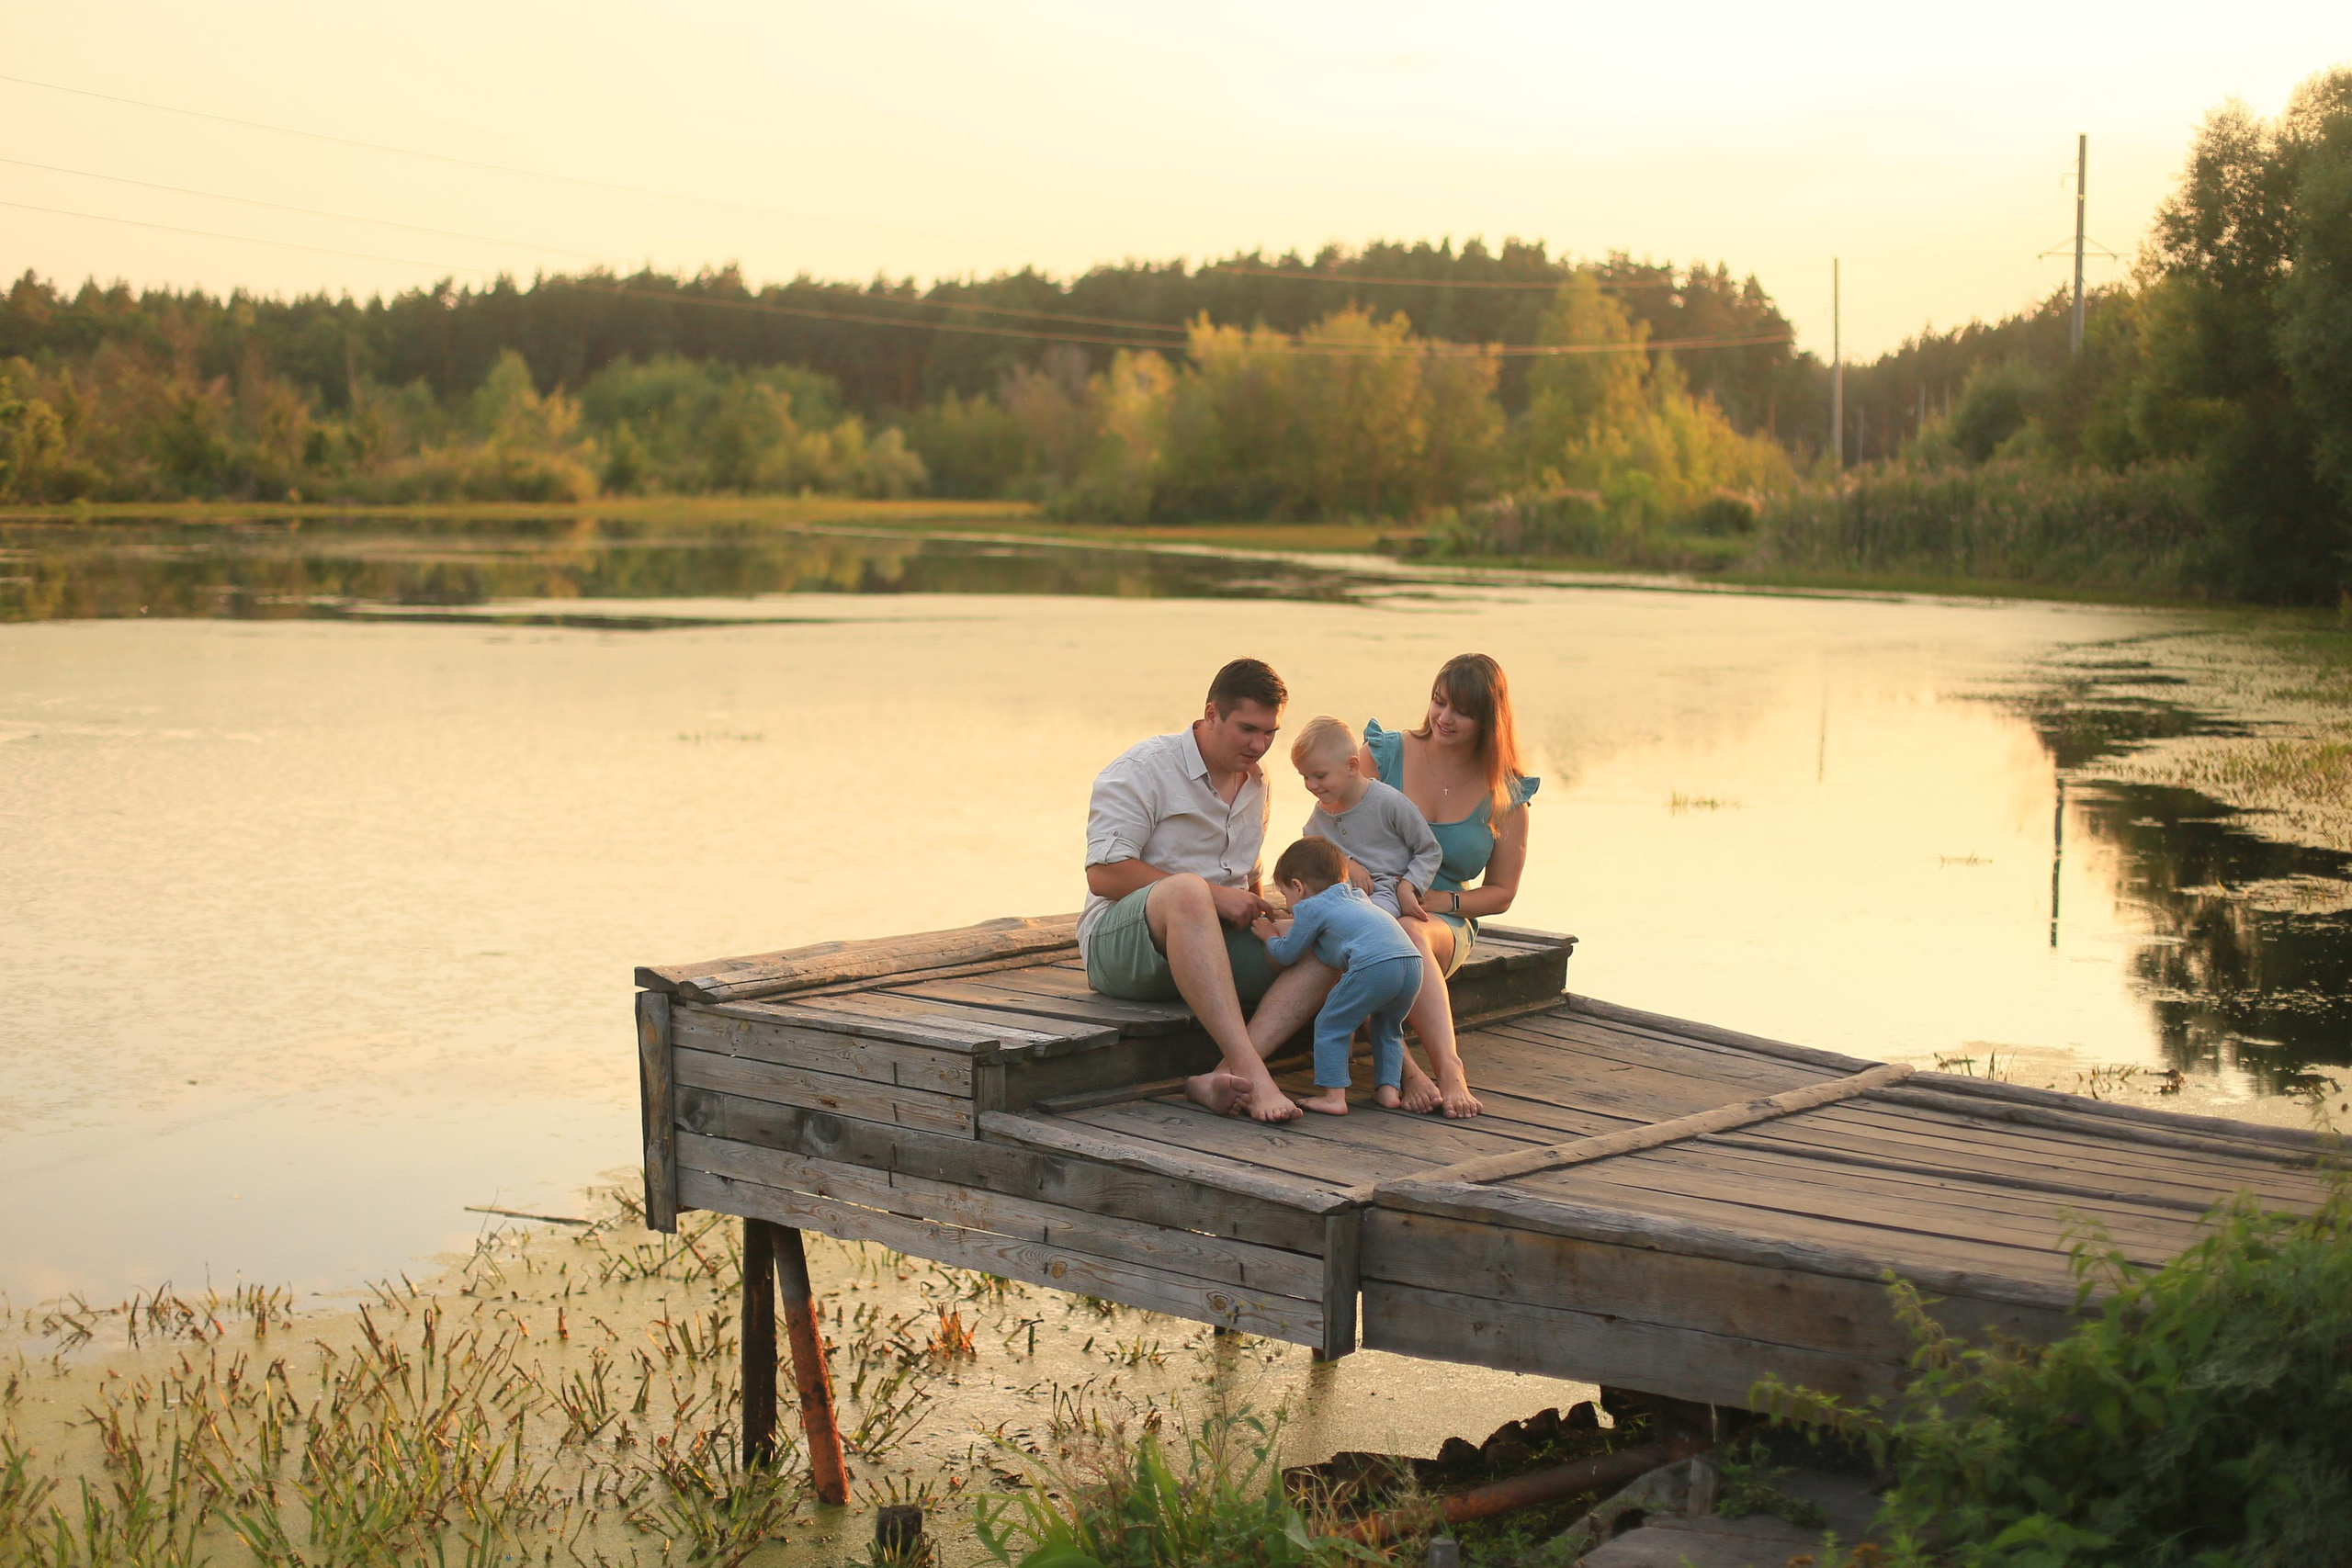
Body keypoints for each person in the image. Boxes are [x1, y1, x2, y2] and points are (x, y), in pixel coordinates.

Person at [1080, 659, 1339, 1122]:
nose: (1259, 746)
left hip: (1212, 944)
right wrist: (1213, 895)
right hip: (1123, 948)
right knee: (1187, 892)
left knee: (1330, 942)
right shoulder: (1143, 768)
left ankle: (1222, 1077)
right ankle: (1257, 1078)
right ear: (1211, 713)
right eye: (1247, 729)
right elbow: (1103, 874)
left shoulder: (1257, 781)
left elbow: (1250, 876)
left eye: (1270, 734)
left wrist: (1280, 924)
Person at [1360, 653, 1539, 1120]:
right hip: (1368, 897)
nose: (1443, 717)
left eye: (1461, 710)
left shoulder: (1506, 793)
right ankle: (1408, 1072)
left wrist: (1446, 900)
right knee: (1353, 935)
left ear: (1488, 720)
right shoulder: (1384, 754)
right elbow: (1329, 828)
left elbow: (1502, 892)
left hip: (1439, 920)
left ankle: (1450, 1071)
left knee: (1408, 936)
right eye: (1439, 702)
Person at [1251, 838, 1421, 1115]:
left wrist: (1269, 935)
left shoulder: (1311, 907)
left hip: (1374, 966)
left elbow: (1287, 954)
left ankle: (1333, 1096)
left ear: (1298, 886)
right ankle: (1389, 1090)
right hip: (1411, 962)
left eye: (1285, 895)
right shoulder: (1357, 897)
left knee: (1331, 1025)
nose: (1289, 904)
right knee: (1388, 1028)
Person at [1291, 716, 1441, 919]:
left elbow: (1429, 850)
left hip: (1383, 892)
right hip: (1337, 894)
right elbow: (1312, 853)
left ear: (1352, 766)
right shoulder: (1320, 815)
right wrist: (1347, 864)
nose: (1311, 785)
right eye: (1305, 777)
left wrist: (1409, 886)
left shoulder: (1389, 802)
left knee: (1365, 920)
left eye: (1320, 776)